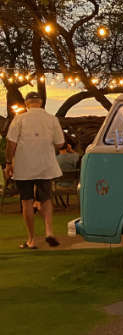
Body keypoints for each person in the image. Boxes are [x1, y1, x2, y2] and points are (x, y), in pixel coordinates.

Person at [5, 92, 65, 249]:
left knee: (26, 201)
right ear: (41, 103)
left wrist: (8, 163)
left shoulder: (19, 119)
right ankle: (49, 231)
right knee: (46, 199)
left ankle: (31, 240)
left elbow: (11, 144)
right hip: (45, 165)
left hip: (24, 167)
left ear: (26, 104)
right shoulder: (52, 119)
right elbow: (60, 143)